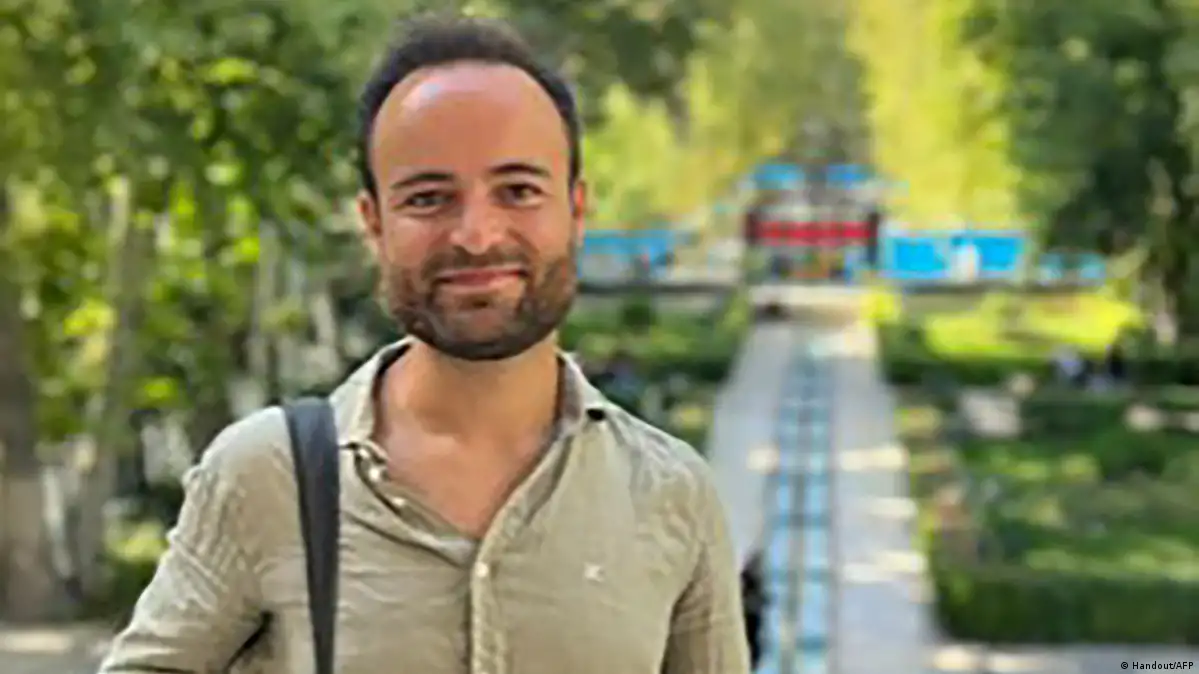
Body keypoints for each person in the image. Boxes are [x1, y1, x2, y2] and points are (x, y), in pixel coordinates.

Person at [99, 14, 750, 674]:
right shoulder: (270, 476)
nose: (476, 235)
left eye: (518, 191)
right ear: (373, 223)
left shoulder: (670, 494)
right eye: (429, 198)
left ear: (576, 210)